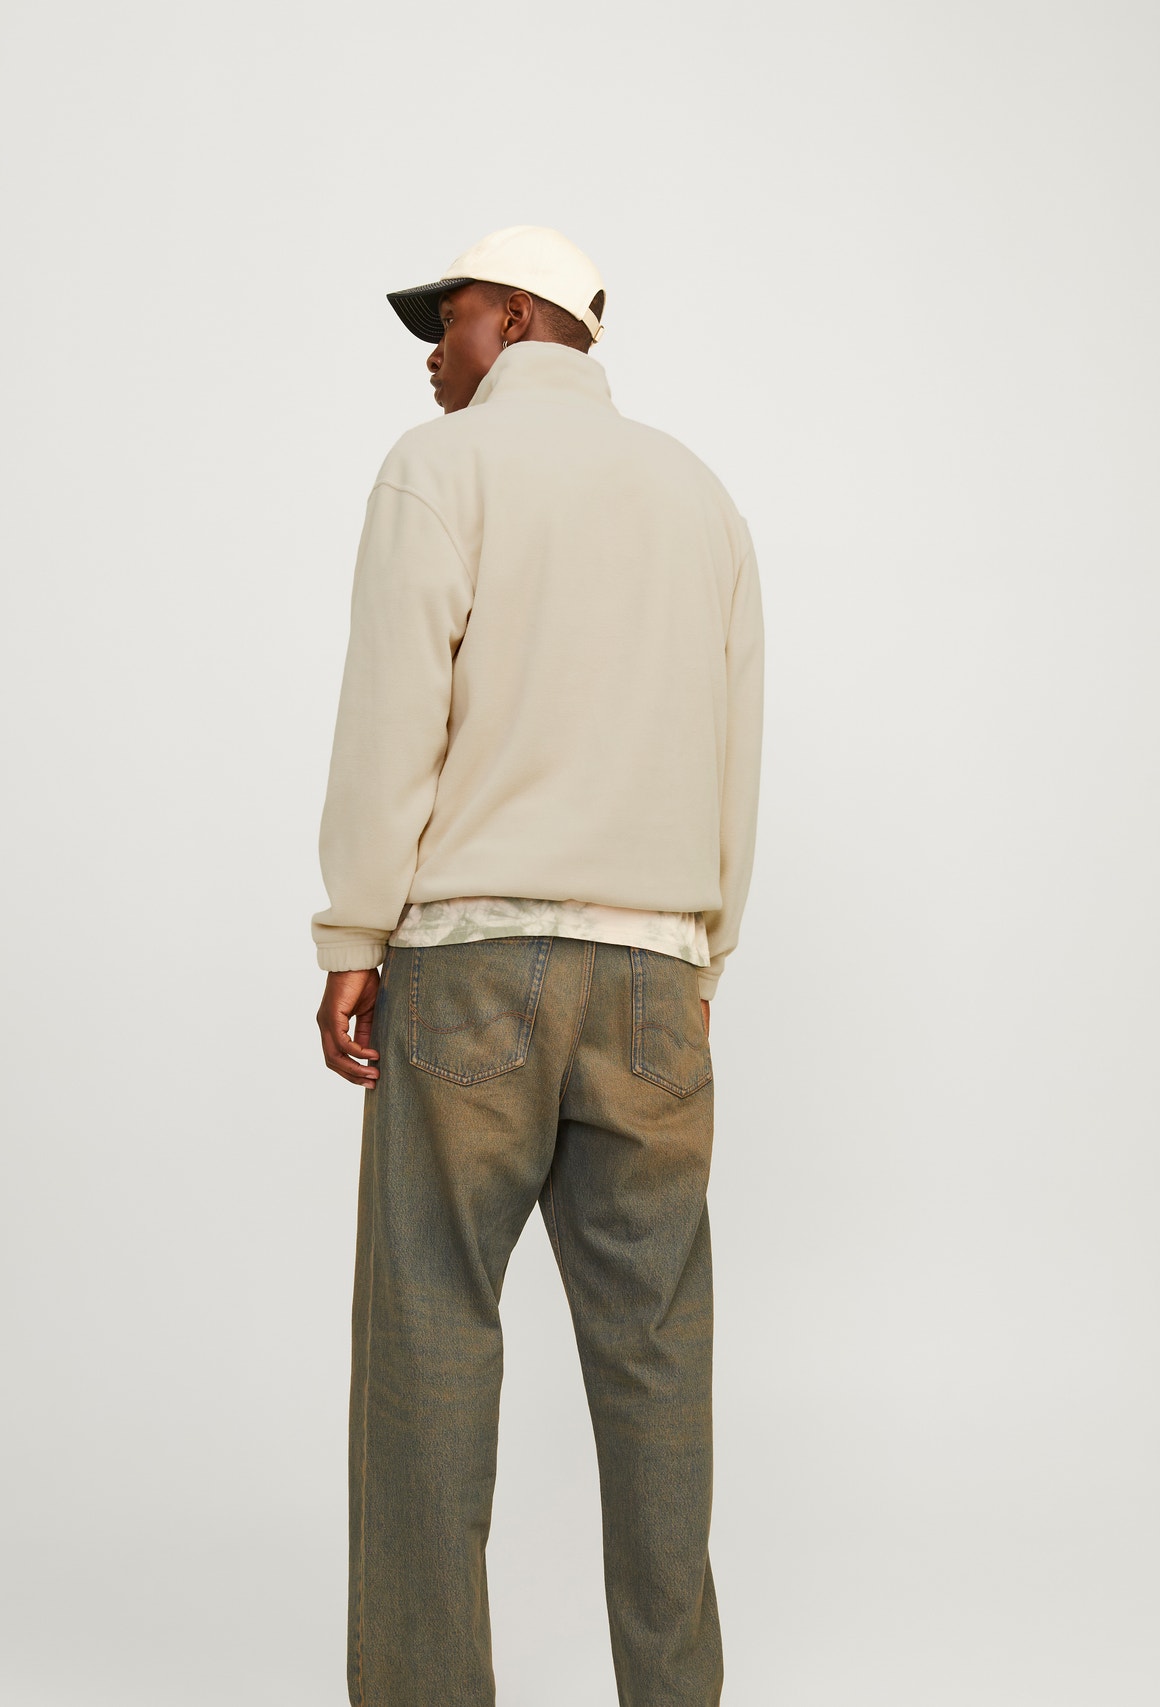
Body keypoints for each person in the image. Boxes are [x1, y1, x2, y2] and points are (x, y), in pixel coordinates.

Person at [311, 223, 765, 1707]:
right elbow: (737, 747)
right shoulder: (700, 497)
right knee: (659, 1361)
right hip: (655, 980)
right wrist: (704, 959)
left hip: (471, 965)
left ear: (513, 316)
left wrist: (354, 930)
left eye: (444, 324)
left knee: (429, 1339)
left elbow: (395, 710)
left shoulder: (441, 470)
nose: (430, 358)